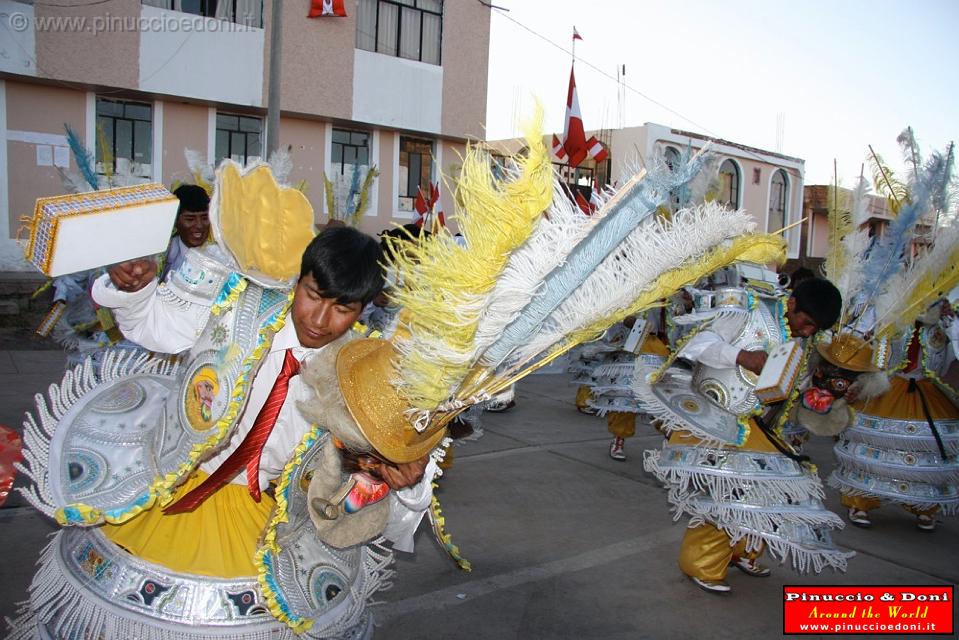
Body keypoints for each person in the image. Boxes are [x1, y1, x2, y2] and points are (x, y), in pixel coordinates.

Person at [10, 176, 435, 639]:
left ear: (364, 309)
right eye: (312, 295)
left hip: (262, 516)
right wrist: (135, 291)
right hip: (172, 482)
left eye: (342, 309)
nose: (318, 319)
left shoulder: (363, 378)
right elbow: (157, 328)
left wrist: (407, 485)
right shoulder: (238, 302)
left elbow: (363, 492)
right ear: (298, 280)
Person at [640, 274, 853, 593]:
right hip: (711, 418)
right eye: (805, 322)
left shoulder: (803, 340)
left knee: (769, 493)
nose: (807, 332)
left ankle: (743, 552)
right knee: (725, 495)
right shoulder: (748, 309)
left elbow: (790, 389)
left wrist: (825, 395)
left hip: (756, 425)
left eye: (814, 329)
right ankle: (702, 564)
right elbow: (697, 345)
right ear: (791, 303)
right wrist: (741, 356)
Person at [832, 299, 959, 532]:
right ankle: (862, 501)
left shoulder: (946, 318)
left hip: (927, 391)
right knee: (873, 445)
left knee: (926, 448)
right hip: (887, 388)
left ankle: (924, 505)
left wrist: (950, 319)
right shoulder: (891, 309)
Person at [159, 183, 211, 280]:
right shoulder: (163, 255)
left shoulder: (219, 256)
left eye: (205, 218)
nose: (199, 225)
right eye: (190, 219)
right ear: (175, 220)